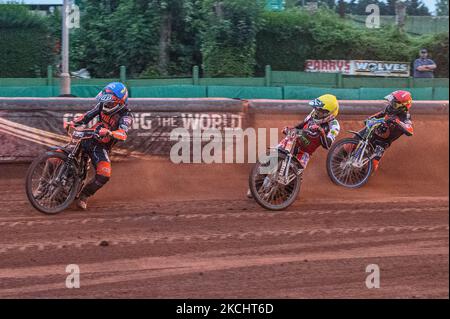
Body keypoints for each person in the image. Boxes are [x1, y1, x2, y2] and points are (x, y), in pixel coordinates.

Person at [247, 94, 340, 198]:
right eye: (316, 109)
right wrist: (292, 128)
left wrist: (321, 132)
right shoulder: (313, 114)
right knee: (272, 158)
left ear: (329, 113)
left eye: (320, 111)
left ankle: (281, 195)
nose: (317, 112)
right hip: (295, 138)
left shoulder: (334, 125)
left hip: (305, 151)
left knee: (292, 183)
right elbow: (301, 124)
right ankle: (256, 186)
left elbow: (327, 145)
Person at [65, 82, 133, 210]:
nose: (106, 104)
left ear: (120, 102)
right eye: (106, 101)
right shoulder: (102, 105)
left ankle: (84, 195)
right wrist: (72, 122)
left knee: (104, 174)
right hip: (88, 137)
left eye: (110, 102)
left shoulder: (126, 116)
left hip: (102, 146)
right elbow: (87, 116)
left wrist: (110, 133)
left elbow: (123, 134)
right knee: (56, 156)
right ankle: (42, 186)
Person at [362, 90, 414, 172]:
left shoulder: (405, 116)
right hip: (373, 131)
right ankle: (336, 159)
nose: (391, 104)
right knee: (349, 145)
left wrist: (397, 121)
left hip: (382, 143)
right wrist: (370, 118)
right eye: (392, 101)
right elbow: (381, 114)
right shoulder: (390, 108)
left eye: (394, 103)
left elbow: (410, 130)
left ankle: (359, 178)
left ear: (402, 105)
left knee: (372, 166)